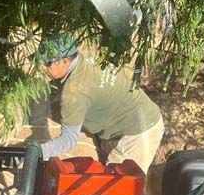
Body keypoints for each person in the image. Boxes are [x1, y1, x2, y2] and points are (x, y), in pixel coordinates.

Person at [34, 33, 164, 174]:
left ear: (65, 61)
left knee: (116, 189)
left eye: (47, 63)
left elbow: (68, 140)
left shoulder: (75, 90)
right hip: (124, 121)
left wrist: (35, 154)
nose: (42, 67)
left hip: (138, 132)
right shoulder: (84, 57)